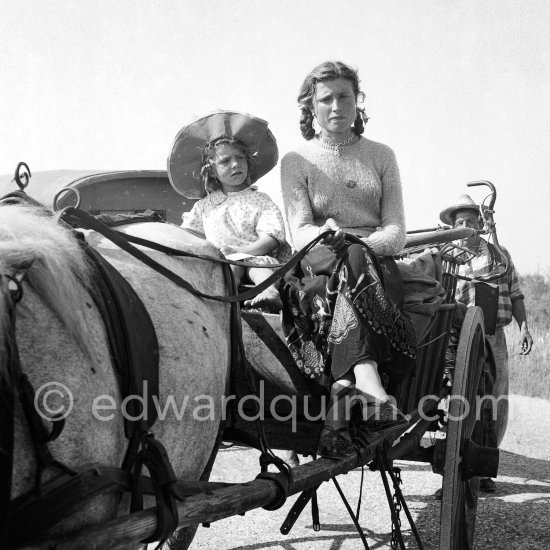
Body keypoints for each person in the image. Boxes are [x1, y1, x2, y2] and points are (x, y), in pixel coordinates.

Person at [280, 61, 417, 459]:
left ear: (358, 102)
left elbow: (396, 229)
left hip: (375, 263)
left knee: (355, 254)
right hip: (317, 261)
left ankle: (346, 393)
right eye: (326, 99)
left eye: (345, 96)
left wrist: (363, 246)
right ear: (311, 108)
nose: (336, 106)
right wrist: (329, 237)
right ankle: (369, 386)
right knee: (337, 264)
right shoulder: (296, 160)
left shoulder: (381, 155)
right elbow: (299, 228)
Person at [439, 193, 533, 492]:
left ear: (480, 224)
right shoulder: (447, 257)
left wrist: (525, 328)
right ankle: (452, 475)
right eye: (459, 221)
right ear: (453, 227)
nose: (464, 225)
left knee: (493, 401)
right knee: (458, 402)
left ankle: (485, 469)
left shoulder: (498, 254)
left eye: (469, 220)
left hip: (493, 336)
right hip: (459, 337)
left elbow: (515, 294)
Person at [167, 110, 289, 310]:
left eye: (240, 158)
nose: (235, 165)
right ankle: (218, 306)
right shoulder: (205, 206)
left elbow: (271, 238)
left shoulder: (259, 200)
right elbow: (189, 236)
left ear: (248, 161)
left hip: (255, 257)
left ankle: (269, 292)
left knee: (256, 267)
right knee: (229, 268)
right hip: (220, 263)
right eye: (225, 161)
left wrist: (242, 251)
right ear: (211, 170)